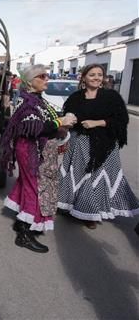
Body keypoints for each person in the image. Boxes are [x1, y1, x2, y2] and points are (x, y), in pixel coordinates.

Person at [0, 64, 77, 253]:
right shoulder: (28, 102)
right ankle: (24, 235)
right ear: (30, 81)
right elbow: (34, 127)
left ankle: (21, 224)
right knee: (34, 188)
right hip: (28, 150)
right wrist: (60, 122)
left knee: (27, 184)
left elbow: (43, 122)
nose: (46, 79)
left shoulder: (37, 99)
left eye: (47, 76)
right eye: (42, 76)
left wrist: (61, 122)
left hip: (33, 149)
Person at [57, 64, 139, 229]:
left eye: (99, 75)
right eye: (92, 74)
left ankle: (90, 213)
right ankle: (68, 205)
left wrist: (98, 122)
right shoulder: (75, 97)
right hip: (79, 142)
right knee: (77, 174)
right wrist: (67, 122)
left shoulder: (111, 97)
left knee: (95, 178)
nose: (96, 77)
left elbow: (121, 120)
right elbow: (68, 116)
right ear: (84, 78)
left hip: (105, 144)